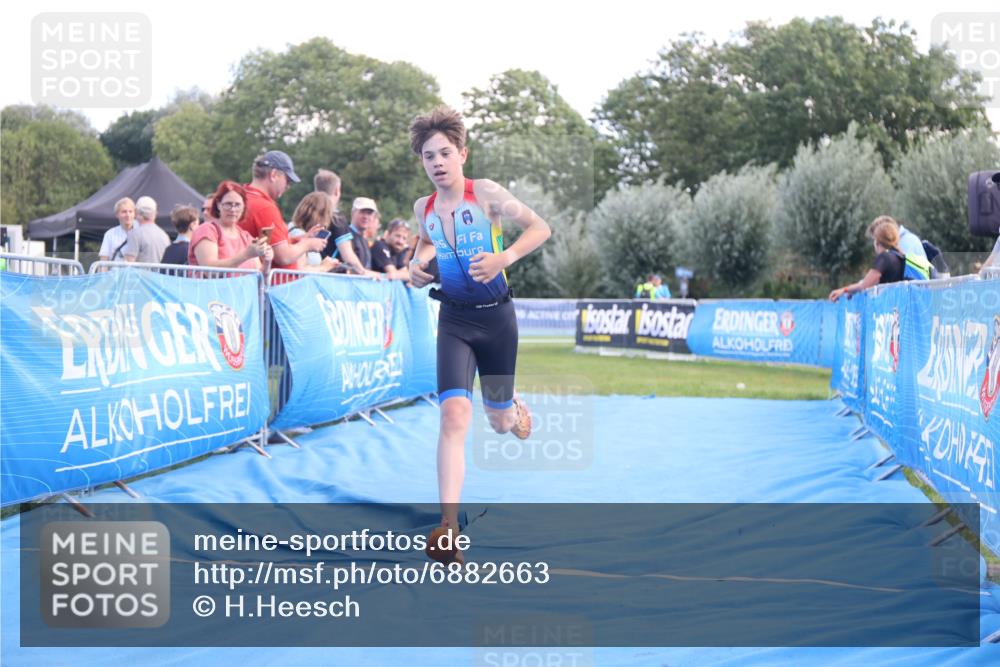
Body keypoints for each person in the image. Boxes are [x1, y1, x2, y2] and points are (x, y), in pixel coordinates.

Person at [408, 106, 551, 562]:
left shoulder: (485, 193)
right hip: (453, 321)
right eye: (429, 156)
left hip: (496, 320)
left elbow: (540, 227)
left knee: (499, 422)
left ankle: (513, 410)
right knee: (453, 416)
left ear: (462, 154)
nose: (437, 162)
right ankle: (447, 525)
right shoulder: (423, 208)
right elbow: (426, 244)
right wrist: (417, 268)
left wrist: (503, 258)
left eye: (445, 153)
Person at [238, 151, 326, 271]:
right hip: (274, 285)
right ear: (274, 175)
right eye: (287, 180)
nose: (287, 186)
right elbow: (283, 256)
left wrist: (303, 238)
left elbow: (267, 242)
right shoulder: (265, 207)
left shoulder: (242, 196)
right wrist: (307, 244)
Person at [189, 181, 272, 271]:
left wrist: (267, 261)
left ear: (244, 206)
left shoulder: (246, 237)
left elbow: (259, 278)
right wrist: (245, 255)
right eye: (228, 204)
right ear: (218, 204)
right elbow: (209, 272)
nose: (233, 209)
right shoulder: (207, 230)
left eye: (237, 205)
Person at [829, 219, 910, 301]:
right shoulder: (900, 256)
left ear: (877, 242)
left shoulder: (884, 258)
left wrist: (844, 290)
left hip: (888, 308)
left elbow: (864, 285)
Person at [327, 197, 380, 277]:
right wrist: (364, 273)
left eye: (369, 213)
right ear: (353, 212)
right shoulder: (343, 233)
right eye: (362, 212)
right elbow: (348, 264)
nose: (365, 216)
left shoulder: (365, 240)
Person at [288, 192, 341, 272]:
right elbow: (299, 270)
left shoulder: (298, 232)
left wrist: (326, 264)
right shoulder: (298, 234)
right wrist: (324, 267)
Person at [124, 196, 171, 263]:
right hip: (159, 273)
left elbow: (129, 263)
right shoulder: (164, 235)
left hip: (141, 273)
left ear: (137, 213)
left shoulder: (135, 234)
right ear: (155, 213)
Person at [99, 197, 136, 261]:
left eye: (130, 211)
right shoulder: (110, 234)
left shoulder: (141, 234)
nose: (128, 215)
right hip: (115, 271)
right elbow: (103, 261)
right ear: (117, 214)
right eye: (124, 212)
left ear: (134, 214)